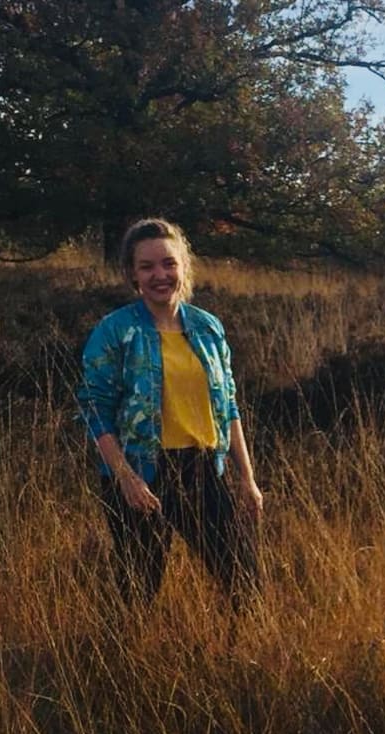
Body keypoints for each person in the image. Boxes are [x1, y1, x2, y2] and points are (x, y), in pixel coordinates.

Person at [77, 218, 264, 607]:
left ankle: (238, 661)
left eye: (168, 263)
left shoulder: (208, 328)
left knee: (245, 582)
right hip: (141, 472)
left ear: (183, 265)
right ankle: (122, 662)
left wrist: (246, 478)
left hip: (201, 469)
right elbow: (95, 409)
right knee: (138, 592)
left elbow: (228, 405)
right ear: (132, 273)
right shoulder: (115, 331)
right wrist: (124, 477)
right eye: (146, 267)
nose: (159, 275)